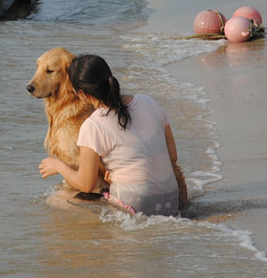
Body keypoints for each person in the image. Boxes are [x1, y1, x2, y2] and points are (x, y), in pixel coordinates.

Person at [38, 54, 181, 217]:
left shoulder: (93, 125)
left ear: (82, 94)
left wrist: (58, 166)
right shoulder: (148, 101)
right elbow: (172, 157)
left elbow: (86, 184)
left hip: (137, 205)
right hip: (172, 200)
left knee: (56, 199)